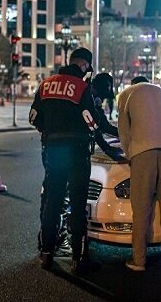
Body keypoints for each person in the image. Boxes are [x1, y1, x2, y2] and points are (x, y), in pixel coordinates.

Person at [29, 47, 101, 275]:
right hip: (77, 151)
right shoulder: (82, 87)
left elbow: (33, 117)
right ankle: (78, 259)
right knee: (78, 203)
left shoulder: (46, 84)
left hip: (53, 149)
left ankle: (47, 253)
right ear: (83, 65)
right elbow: (91, 121)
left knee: (53, 199)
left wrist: (48, 131)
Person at [117, 76, 161, 271]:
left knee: (141, 209)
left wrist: (130, 154)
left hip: (143, 153)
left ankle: (139, 260)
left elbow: (124, 131)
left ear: (133, 83)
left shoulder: (127, 94)